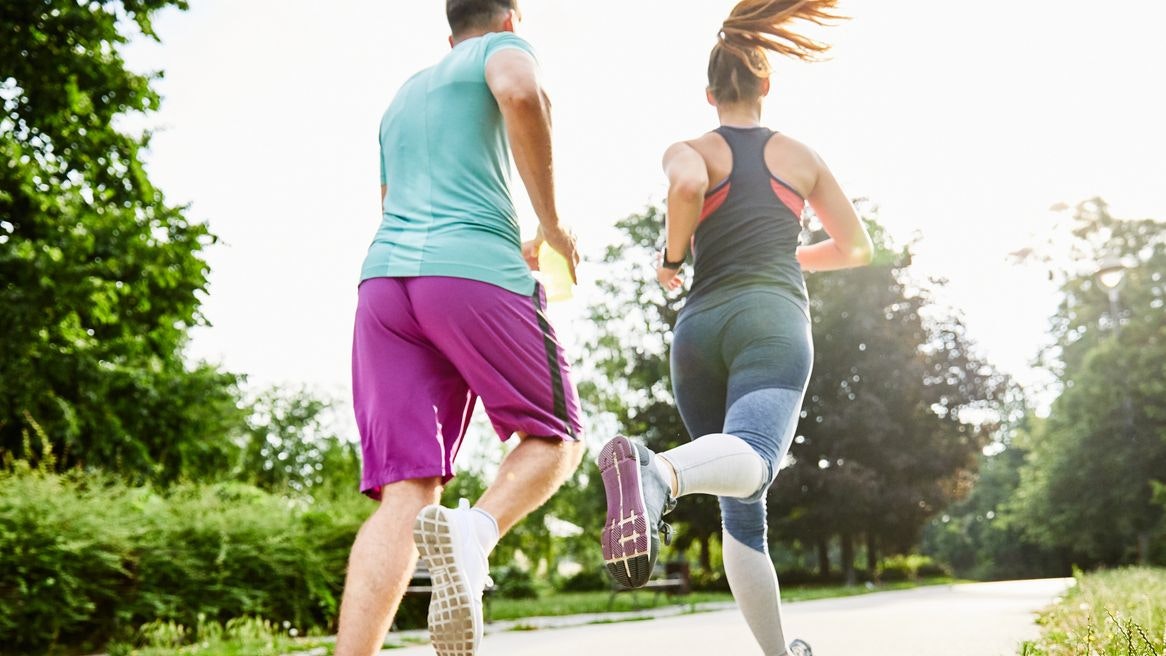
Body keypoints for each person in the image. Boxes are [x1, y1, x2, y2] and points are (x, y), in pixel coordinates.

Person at [598, 1, 873, 655]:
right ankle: (655, 473)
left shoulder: (690, 148)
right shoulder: (799, 155)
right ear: (766, 84)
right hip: (771, 320)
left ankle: (780, 655)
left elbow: (688, 185)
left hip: (698, 330)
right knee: (752, 461)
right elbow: (857, 247)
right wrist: (791, 258)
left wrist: (672, 257)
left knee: (741, 506)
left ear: (709, 93)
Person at [337, 2, 584, 655]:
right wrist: (551, 227)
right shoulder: (502, 52)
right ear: (510, 20)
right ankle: (474, 534)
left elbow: (393, 203)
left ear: (450, 33)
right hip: (471, 269)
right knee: (556, 436)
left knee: (407, 492)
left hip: (385, 285)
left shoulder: (403, 96)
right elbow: (519, 91)